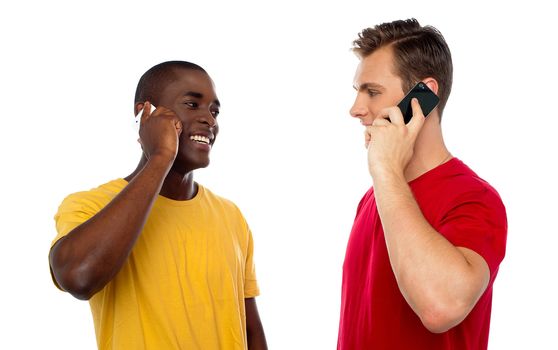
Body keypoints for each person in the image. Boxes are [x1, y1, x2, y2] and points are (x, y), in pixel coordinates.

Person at [49, 61, 268, 350]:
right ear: (145, 114)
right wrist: (161, 157)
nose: (210, 120)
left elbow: (251, 331)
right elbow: (78, 277)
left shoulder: (231, 216)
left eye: (214, 111)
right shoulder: (90, 204)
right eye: (192, 104)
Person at [337, 19, 507, 349]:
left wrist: (386, 170)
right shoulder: (372, 198)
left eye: (372, 92)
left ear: (423, 96)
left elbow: (440, 308)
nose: (356, 109)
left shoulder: (475, 198)